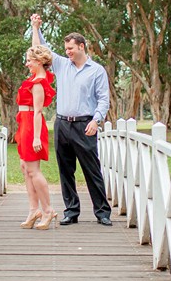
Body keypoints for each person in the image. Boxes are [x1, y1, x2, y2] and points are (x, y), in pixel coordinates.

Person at [31, 14, 112, 226]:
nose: (67, 52)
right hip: (62, 124)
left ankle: (102, 212)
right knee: (65, 170)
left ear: (82, 47)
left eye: (71, 48)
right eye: (66, 48)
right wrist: (36, 27)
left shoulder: (97, 71)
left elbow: (103, 99)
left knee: (92, 170)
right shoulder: (62, 65)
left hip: (85, 124)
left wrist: (96, 120)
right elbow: (44, 49)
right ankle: (71, 211)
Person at [15, 44, 58, 230]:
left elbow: (39, 112)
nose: (27, 64)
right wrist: (34, 28)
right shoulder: (34, 78)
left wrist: (36, 138)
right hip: (24, 123)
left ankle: (48, 210)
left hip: (33, 126)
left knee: (33, 170)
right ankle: (34, 209)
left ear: (39, 62)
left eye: (30, 61)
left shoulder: (39, 83)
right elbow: (35, 46)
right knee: (25, 167)